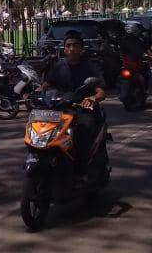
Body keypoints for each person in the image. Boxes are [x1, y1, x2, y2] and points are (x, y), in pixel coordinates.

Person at [42, 31, 107, 183]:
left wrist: (92, 98)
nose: (72, 49)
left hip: (83, 110)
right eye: (68, 46)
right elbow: (46, 84)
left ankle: (81, 170)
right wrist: (36, 92)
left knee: (81, 131)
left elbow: (101, 92)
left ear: (81, 48)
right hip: (62, 108)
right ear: (64, 49)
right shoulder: (59, 66)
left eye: (75, 46)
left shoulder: (89, 67)